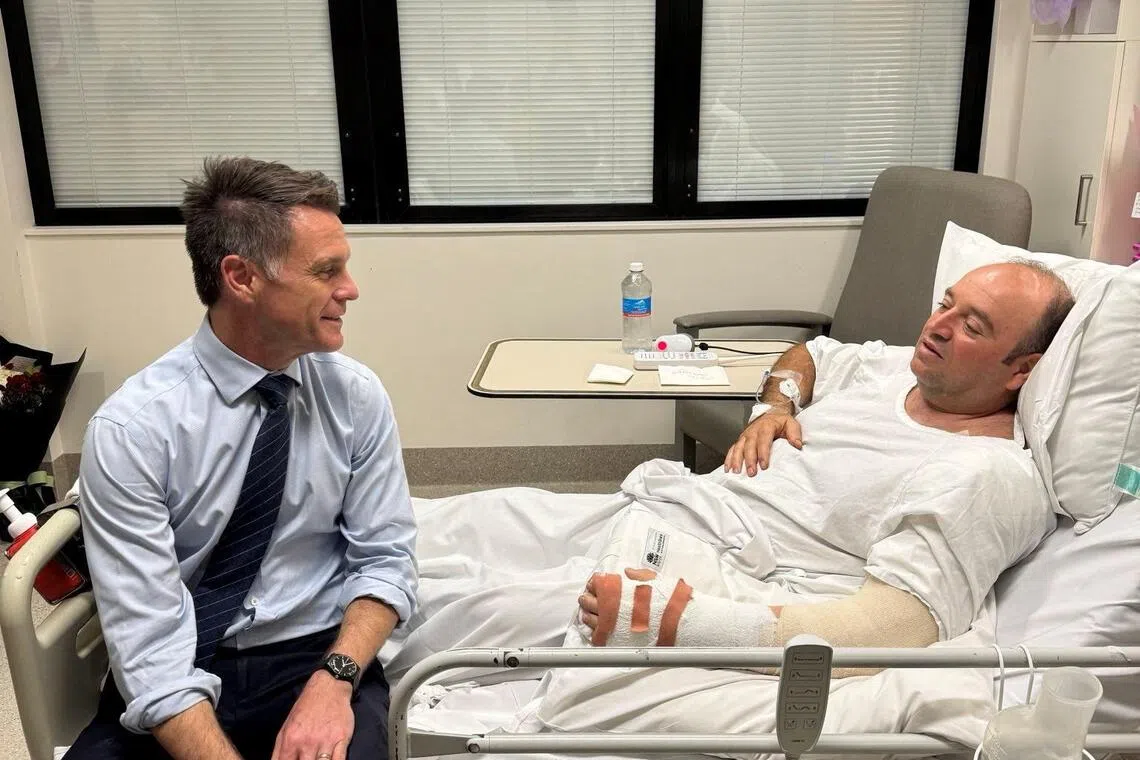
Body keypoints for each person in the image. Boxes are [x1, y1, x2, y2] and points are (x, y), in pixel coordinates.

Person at [66, 157, 417, 760]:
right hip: (185, 655)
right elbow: (150, 650)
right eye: (326, 270)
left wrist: (334, 679)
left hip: (317, 652)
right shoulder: (134, 430)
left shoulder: (354, 397)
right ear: (241, 277)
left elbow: (386, 562)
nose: (350, 288)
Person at [575, 260, 1076, 659]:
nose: (936, 327)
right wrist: (773, 408)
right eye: (944, 304)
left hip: (709, 564)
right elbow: (811, 353)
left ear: (1021, 371)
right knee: (496, 524)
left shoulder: (988, 474)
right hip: (684, 508)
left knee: (502, 607)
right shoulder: (901, 367)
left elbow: (892, 628)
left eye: (971, 326)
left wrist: (673, 623)